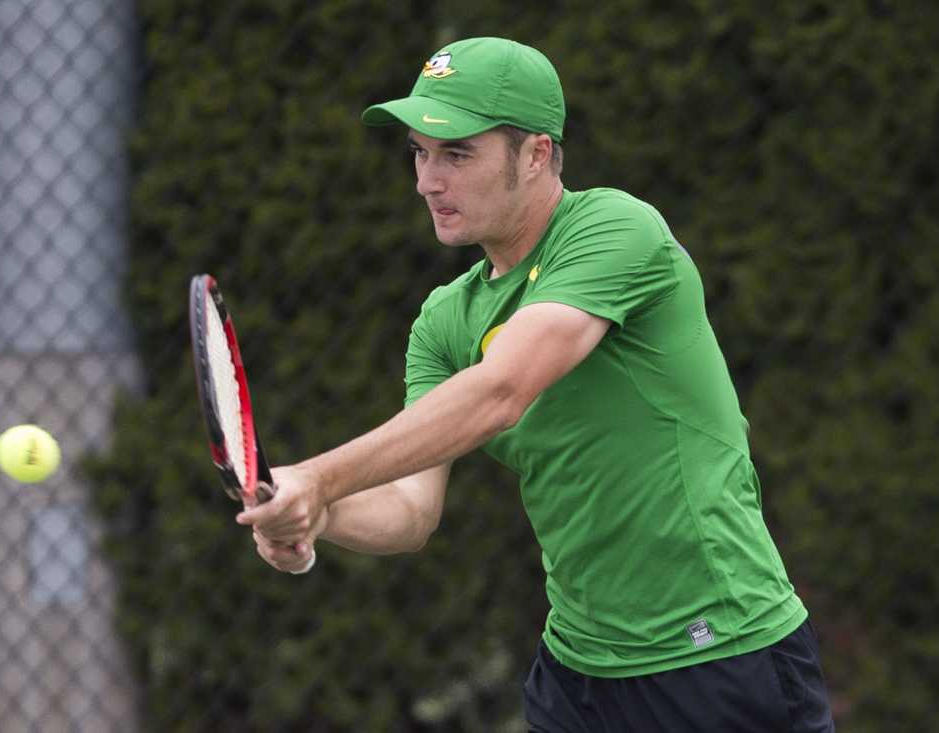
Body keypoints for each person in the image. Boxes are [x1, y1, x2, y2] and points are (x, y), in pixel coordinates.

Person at [236, 36, 835, 732]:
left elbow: (504, 389)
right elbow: (410, 511)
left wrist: (318, 475)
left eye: (457, 153)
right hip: (577, 674)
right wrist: (318, 513)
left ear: (537, 155)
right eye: (419, 153)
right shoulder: (443, 321)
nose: (428, 180)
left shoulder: (616, 230)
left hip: (720, 656)